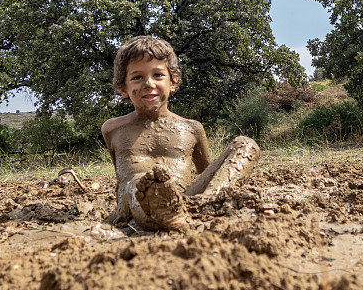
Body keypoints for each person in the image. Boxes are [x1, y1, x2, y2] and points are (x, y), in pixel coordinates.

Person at [102, 35, 260, 231]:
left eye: (158, 75)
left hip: (188, 202)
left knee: (246, 144)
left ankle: (204, 208)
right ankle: (166, 213)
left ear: (173, 82)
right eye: (137, 77)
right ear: (124, 88)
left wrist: (202, 198)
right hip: (139, 202)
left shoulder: (192, 128)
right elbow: (121, 179)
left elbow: (208, 173)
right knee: (138, 181)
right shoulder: (112, 129)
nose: (149, 84)